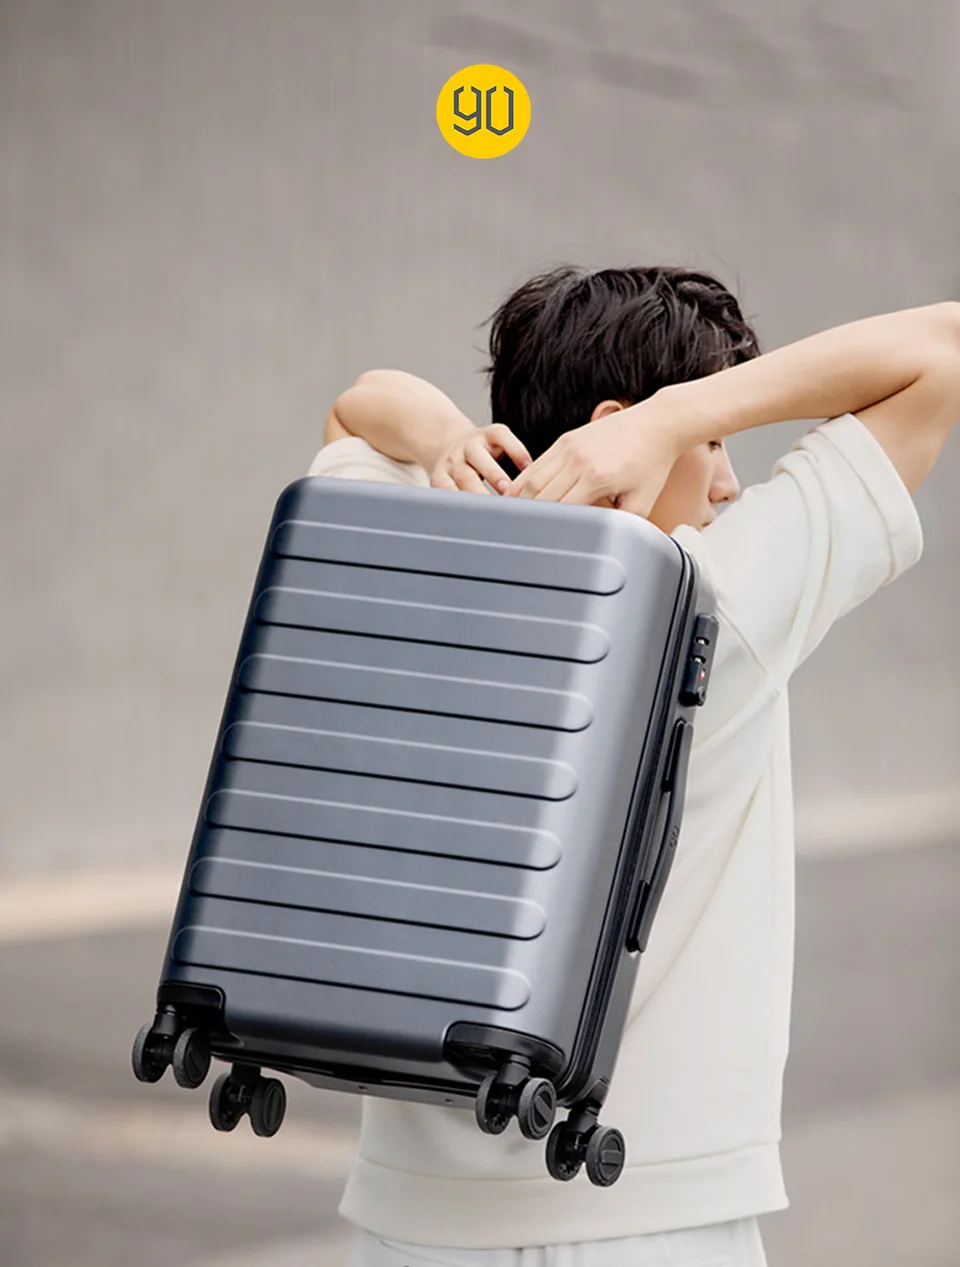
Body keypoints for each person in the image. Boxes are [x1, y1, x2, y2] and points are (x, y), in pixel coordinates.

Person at [305, 266, 960, 1267]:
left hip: (410, 1223)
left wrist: (446, 437)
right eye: (715, 441)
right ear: (619, 430)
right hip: (643, 1211)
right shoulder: (717, 602)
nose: (729, 482)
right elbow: (941, 348)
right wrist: (673, 417)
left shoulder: (413, 567)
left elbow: (357, 409)